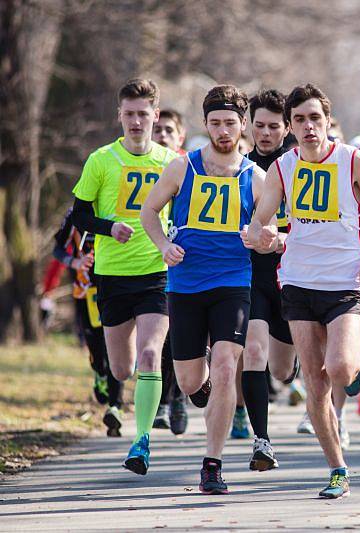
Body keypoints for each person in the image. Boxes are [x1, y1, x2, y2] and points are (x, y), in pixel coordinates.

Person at [246, 83, 360, 499]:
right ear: (291, 125)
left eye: (316, 118)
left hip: (345, 282)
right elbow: (264, 221)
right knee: (314, 384)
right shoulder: (282, 168)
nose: (309, 126)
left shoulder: (352, 159)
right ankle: (337, 469)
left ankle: (358, 372)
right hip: (297, 281)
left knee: (340, 367)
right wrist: (258, 235)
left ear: (327, 121)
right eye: (300, 119)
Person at [141, 84, 265, 494]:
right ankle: (206, 390)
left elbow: (277, 229)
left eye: (231, 122)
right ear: (206, 125)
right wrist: (164, 246)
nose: (223, 130)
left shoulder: (256, 176)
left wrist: (266, 239)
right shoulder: (182, 168)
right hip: (186, 282)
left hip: (233, 281)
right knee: (191, 381)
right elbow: (148, 211)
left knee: (228, 366)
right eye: (215, 123)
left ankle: (212, 464)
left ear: (242, 125)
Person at [71, 78, 177, 475]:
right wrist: (107, 227)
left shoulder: (170, 163)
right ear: (119, 115)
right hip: (112, 275)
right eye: (129, 114)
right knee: (122, 369)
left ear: (155, 115)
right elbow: (78, 216)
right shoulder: (101, 161)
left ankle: (142, 441)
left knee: (151, 354)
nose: (136, 121)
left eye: (143, 114)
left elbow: (184, 216)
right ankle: (127, 395)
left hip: (156, 271)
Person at [241, 88, 299, 470]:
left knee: (280, 369)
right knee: (254, 354)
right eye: (259, 125)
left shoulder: (301, 166)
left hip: (294, 277)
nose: (265, 133)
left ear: (287, 127)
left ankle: (292, 374)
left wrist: (283, 238)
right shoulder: (240, 168)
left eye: (273, 126)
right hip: (252, 278)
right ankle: (261, 442)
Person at [52, 209, 125, 437]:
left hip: (115, 285)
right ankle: (100, 373)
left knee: (116, 347)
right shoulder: (75, 214)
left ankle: (116, 406)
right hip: (86, 290)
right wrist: (75, 262)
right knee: (95, 345)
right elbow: (58, 250)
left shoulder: (117, 208)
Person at [151, 108, 189, 436]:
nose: (162, 135)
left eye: (169, 130)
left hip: (186, 261)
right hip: (154, 259)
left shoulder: (192, 167)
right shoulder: (146, 164)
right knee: (163, 338)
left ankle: (179, 395)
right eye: (158, 130)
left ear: (181, 136)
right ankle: (165, 400)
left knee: (183, 336)